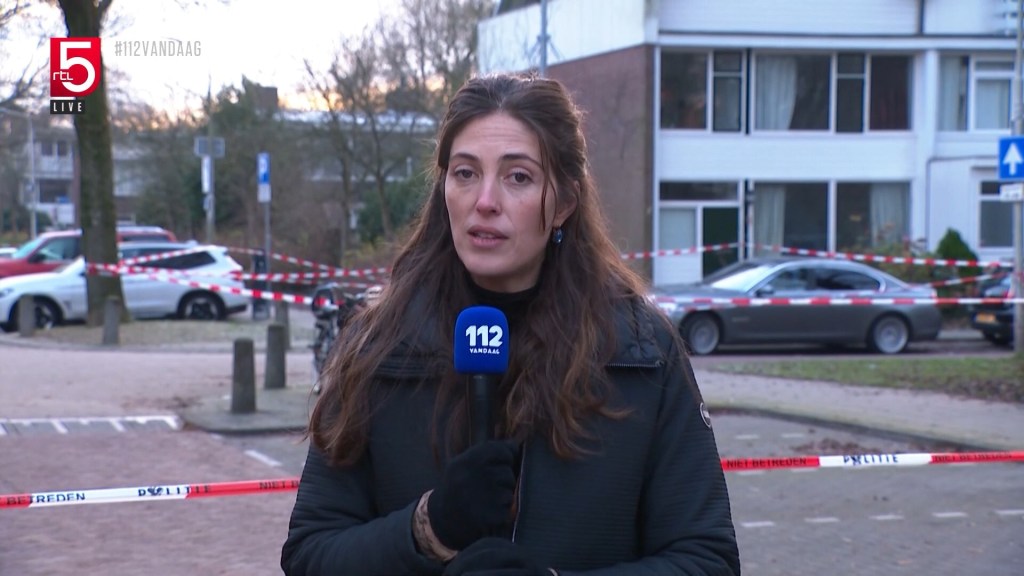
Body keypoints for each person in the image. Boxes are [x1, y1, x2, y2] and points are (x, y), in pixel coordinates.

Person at [281, 72, 741, 576]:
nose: (485, 201)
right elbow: (309, 555)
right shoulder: (378, 346)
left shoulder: (642, 351)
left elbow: (707, 560)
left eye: (518, 177)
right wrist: (429, 529)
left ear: (564, 203)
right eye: (465, 173)